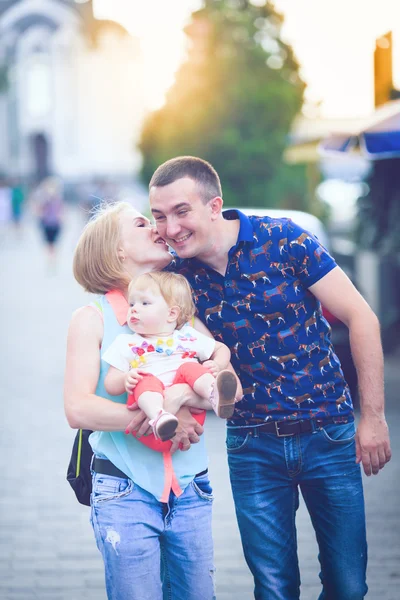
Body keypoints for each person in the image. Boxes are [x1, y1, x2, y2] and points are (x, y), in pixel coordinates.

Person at [148, 155, 392, 600]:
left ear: (213, 205)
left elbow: (361, 317)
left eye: (181, 211)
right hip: (252, 444)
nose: (170, 227)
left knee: (348, 586)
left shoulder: (283, 239)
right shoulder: (175, 280)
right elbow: (153, 341)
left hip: (329, 434)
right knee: (275, 589)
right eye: (159, 216)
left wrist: (373, 416)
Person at [64, 201, 241, 600]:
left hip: (191, 489)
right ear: (117, 250)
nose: (159, 228)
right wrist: (152, 416)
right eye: (143, 223)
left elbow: (229, 383)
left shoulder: (180, 317)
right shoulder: (91, 318)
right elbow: (78, 409)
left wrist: (177, 396)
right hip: (123, 489)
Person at [103, 271, 237, 441]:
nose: (134, 309)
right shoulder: (126, 342)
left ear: (171, 314)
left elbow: (221, 349)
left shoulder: (187, 336)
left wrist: (218, 364)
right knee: (145, 379)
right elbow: (110, 384)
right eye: (131, 304)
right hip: (151, 424)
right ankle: (160, 416)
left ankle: (214, 393)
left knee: (190, 368)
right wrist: (125, 378)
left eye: (145, 303)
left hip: (191, 420)